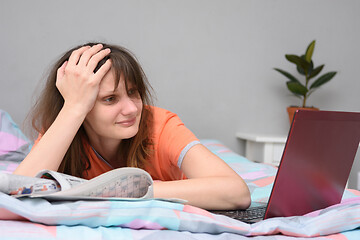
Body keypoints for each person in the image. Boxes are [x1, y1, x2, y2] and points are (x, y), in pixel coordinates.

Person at [14, 43, 250, 210]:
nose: (131, 109)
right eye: (110, 99)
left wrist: (126, 190)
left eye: (133, 93)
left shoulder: (160, 126)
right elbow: (18, 193)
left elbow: (236, 192)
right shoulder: (65, 127)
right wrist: (73, 109)